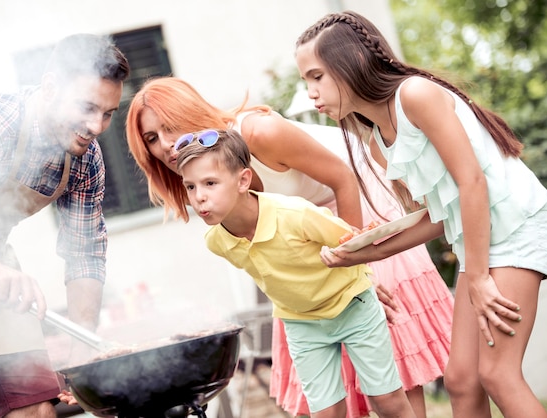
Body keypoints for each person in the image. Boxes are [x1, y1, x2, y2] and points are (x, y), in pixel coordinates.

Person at [125, 76, 453, 418]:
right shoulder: (207, 187)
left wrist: (359, 265)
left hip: (356, 209)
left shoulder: (258, 133)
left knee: (391, 378)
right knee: (327, 396)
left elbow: (343, 178)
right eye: (151, 138)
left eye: (170, 126)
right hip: (301, 237)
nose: (165, 144)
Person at [295, 10, 547, 418]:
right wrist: (364, 253)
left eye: (317, 76)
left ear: (353, 62)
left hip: (518, 225)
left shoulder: (415, 95)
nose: (311, 92)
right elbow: (437, 218)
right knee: (460, 381)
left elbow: (473, 182)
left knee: (498, 374)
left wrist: (480, 278)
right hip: (480, 241)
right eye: (305, 80)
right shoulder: (378, 141)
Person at [0, 33, 129, 417]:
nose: (96, 125)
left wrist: (82, 344)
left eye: (108, 113)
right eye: (88, 107)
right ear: (51, 87)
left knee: (39, 409)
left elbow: (85, 251)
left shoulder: (85, 159)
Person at [175, 128, 416, 418]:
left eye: (210, 183)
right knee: (326, 414)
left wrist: (367, 281)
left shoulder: (294, 214)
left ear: (243, 180)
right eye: (190, 187)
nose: (198, 197)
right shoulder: (217, 242)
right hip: (302, 324)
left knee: (386, 399)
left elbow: (351, 242)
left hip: (353, 306)